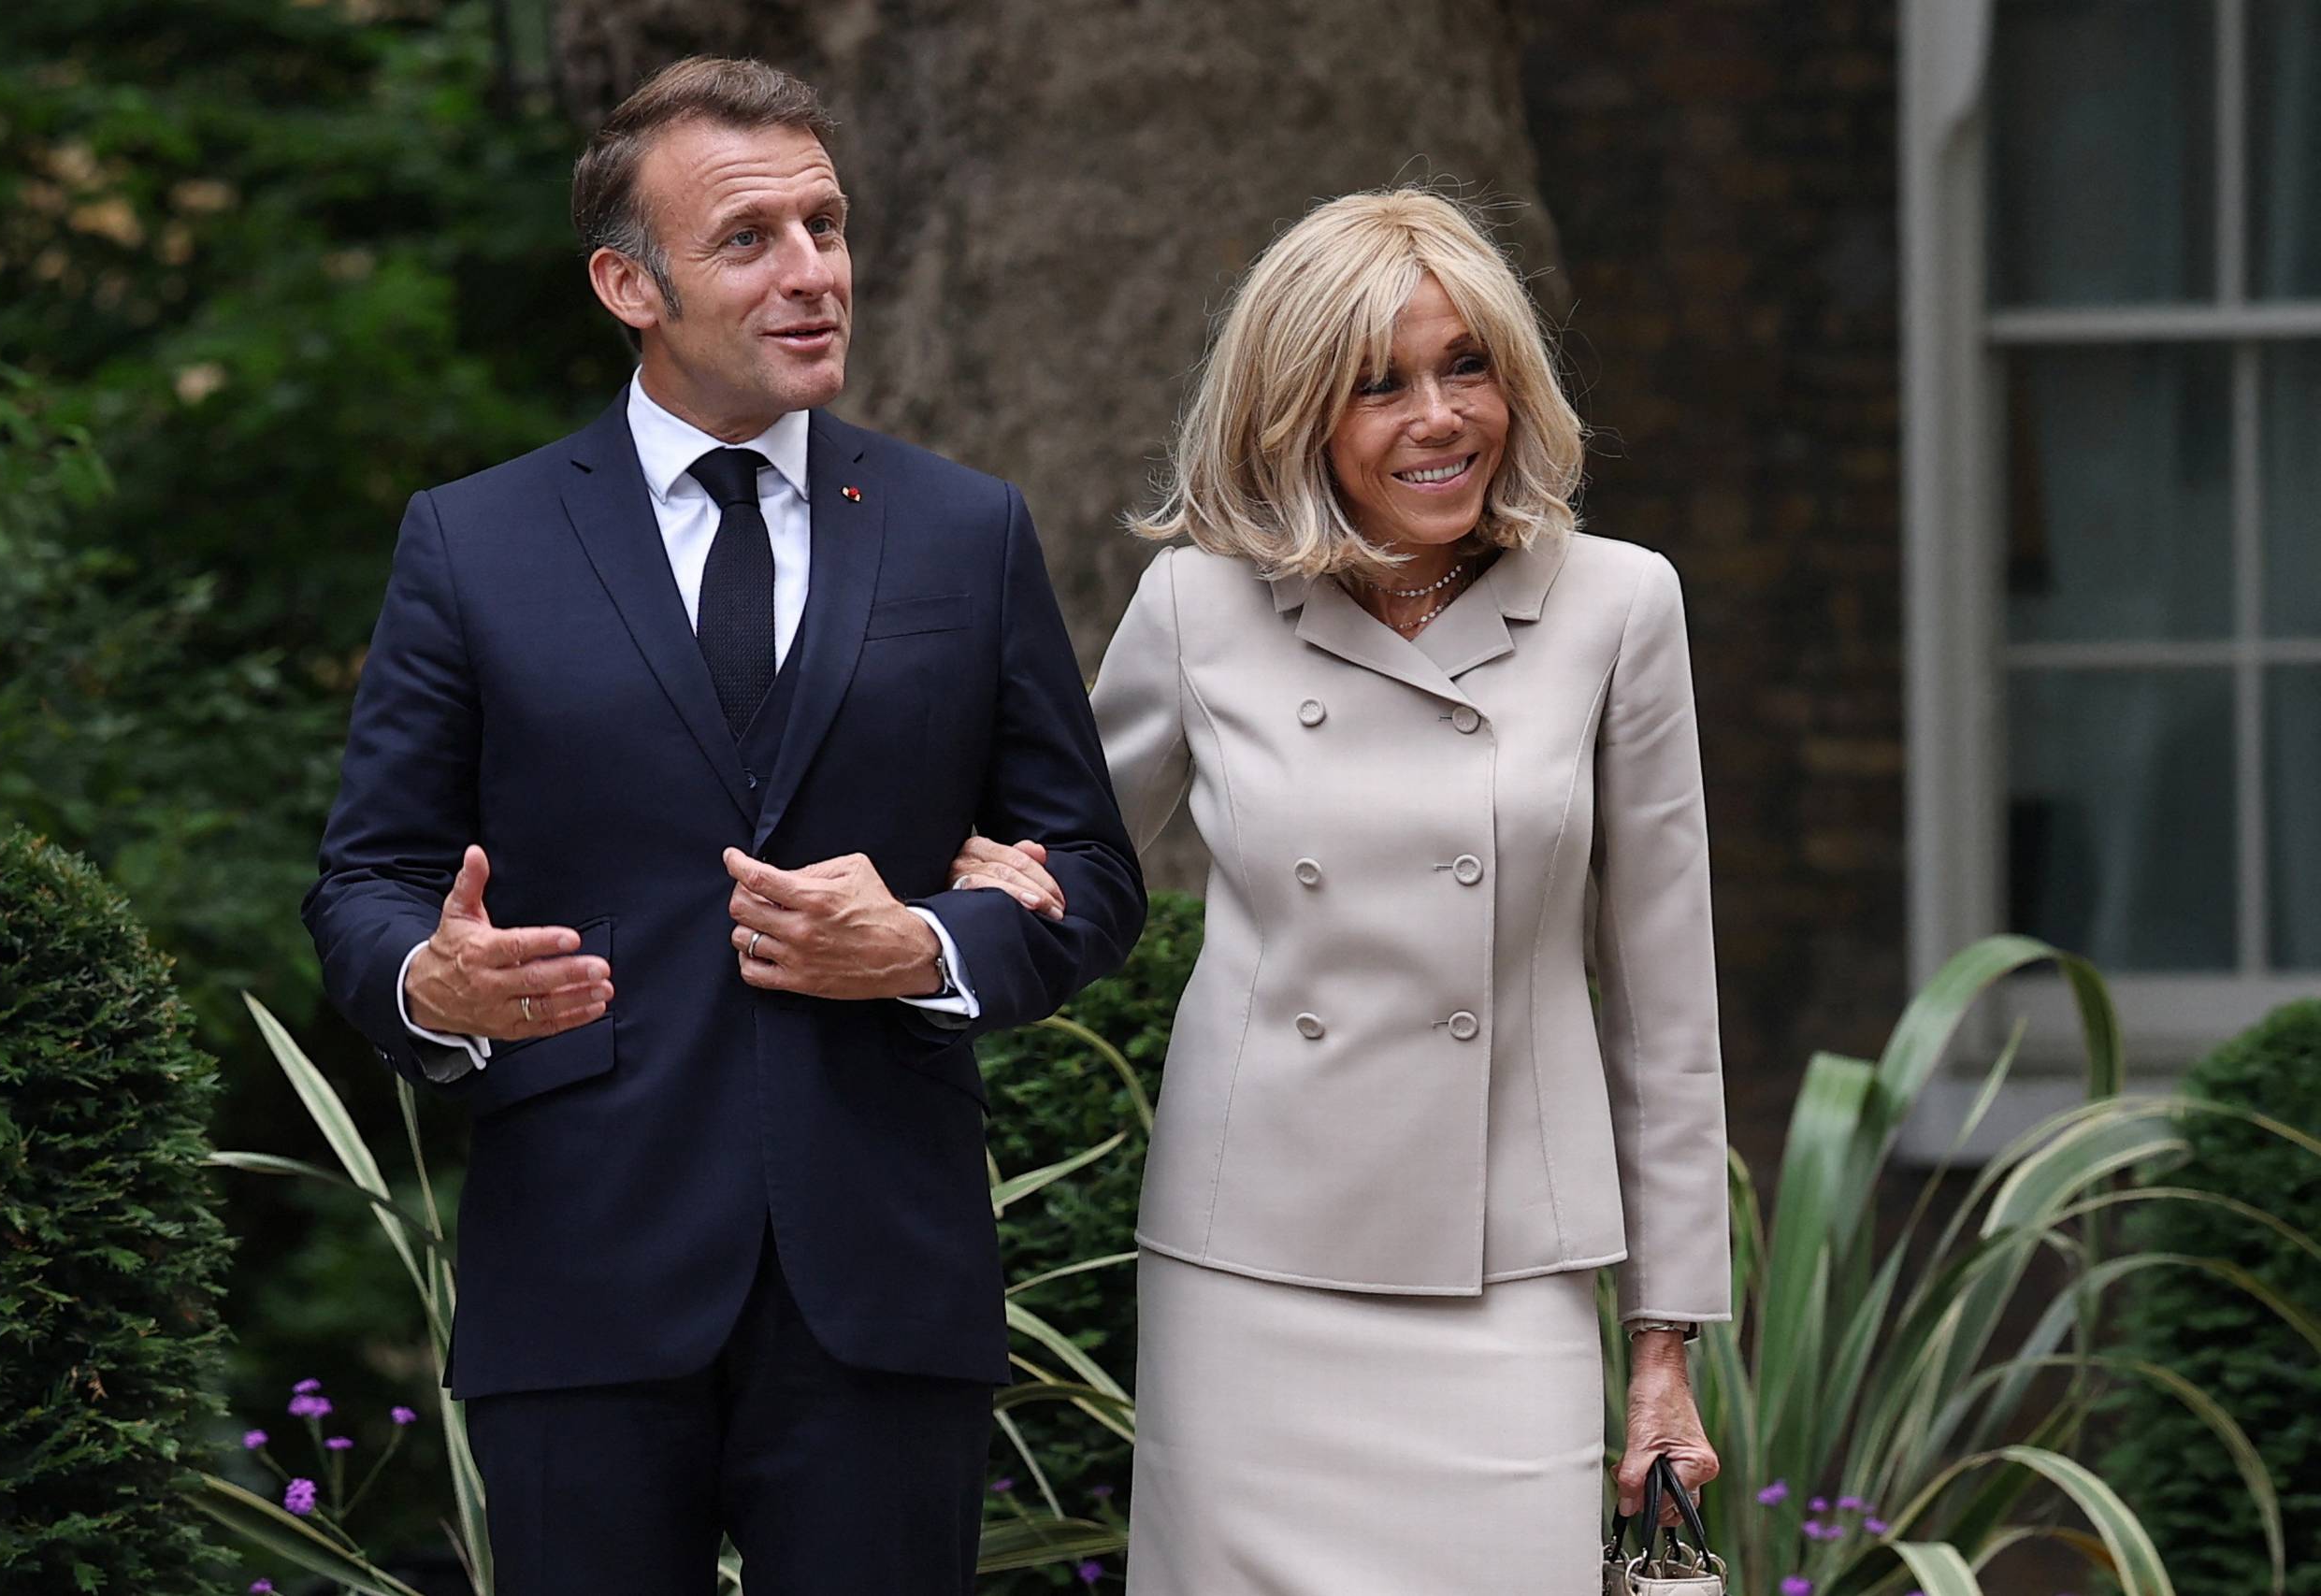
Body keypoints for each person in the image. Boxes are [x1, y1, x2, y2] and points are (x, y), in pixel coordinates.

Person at [300, 56, 1146, 1596]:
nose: (813, 271)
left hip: (884, 1282)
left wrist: (928, 946)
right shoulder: (474, 543)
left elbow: (1089, 872)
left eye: (827, 224)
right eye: (751, 239)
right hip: (583, 1277)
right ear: (629, 283)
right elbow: (369, 880)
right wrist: (433, 981)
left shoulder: (966, 532)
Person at [951, 189, 1729, 1592]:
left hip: (1509, 1273)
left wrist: (1663, 1342)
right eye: (1380, 384)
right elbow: (1064, 857)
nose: (1439, 417)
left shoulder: (1620, 605)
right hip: (1250, 1267)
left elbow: (1665, 1007)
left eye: (1468, 366)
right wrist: (972, 879)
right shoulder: (1197, 607)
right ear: (1294, 413)